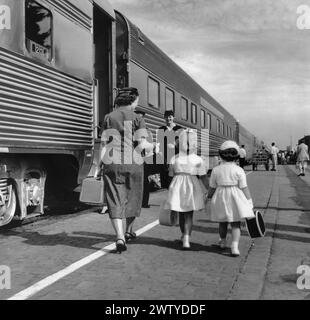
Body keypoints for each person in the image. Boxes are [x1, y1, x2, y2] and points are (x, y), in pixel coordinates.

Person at [99, 87, 152, 253]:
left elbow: (103, 144)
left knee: (115, 199)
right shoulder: (137, 118)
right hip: (134, 163)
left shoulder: (108, 117)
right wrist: (152, 147)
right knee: (133, 197)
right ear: (133, 100)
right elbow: (143, 144)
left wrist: (101, 164)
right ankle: (129, 231)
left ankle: (120, 236)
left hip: (112, 162)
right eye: (137, 100)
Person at [206, 141, 255, 257]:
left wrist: (208, 197)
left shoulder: (216, 170)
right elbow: (244, 187)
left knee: (222, 222)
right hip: (235, 197)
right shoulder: (239, 170)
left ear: (221, 154)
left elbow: (212, 187)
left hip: (220, 196)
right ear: (236, 155)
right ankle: (234, 246)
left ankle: (222, 241)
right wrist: (249, 201)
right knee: (235, 223)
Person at [164, 129, 209, 250]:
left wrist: (169, 191)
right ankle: (187, 239)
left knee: (180, 212)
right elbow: (204, 177)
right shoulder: (198, 159)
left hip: (177, 185)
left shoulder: (174, 158)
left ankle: (183, 235)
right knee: (189, 214)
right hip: (192, 185)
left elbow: (170, 176)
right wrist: (209, 190)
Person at [134, 109, 158, 208]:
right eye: (138, 117)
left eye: (141, 117)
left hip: (144, 158)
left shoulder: (147, 130)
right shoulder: (130, 129)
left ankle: (144, 202)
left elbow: (150, 145)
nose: (139, 119)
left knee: (145, 181)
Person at [157, 111, 183, 189]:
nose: (169, 118)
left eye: (170, 116)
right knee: (166, 179)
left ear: (173, 117)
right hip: (165, 157)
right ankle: (169, 196)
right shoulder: (161, 129)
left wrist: (174, 144)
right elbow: (159, 142)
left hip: (176, 156)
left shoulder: (179, 129)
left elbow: (183, 142)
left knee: (176, 178)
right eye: (167, 117)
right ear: (164, 118)